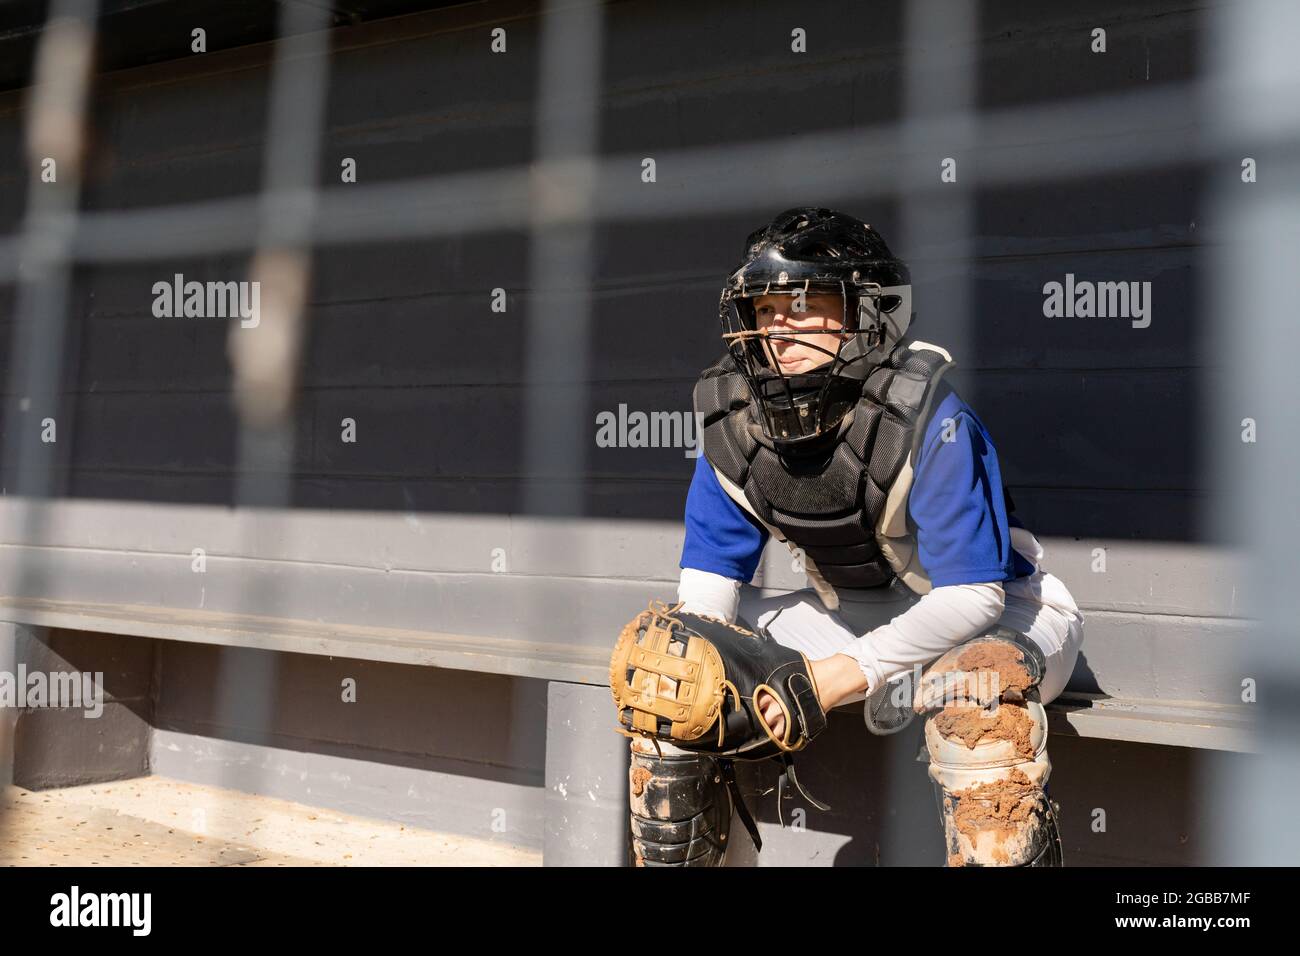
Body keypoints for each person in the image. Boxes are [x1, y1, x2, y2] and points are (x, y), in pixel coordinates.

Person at [627, 207, 1084, 867]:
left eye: (804, 301)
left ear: (869, 312)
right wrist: (708, 675)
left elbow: (973, 599)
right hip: (858, 616)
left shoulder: (930, 417)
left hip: (1007, 614)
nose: (779, 324)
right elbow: (708, 597)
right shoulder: (735, 423)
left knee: (977, 693)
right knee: (668, 671)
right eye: (765, 305)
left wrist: (839, 677)